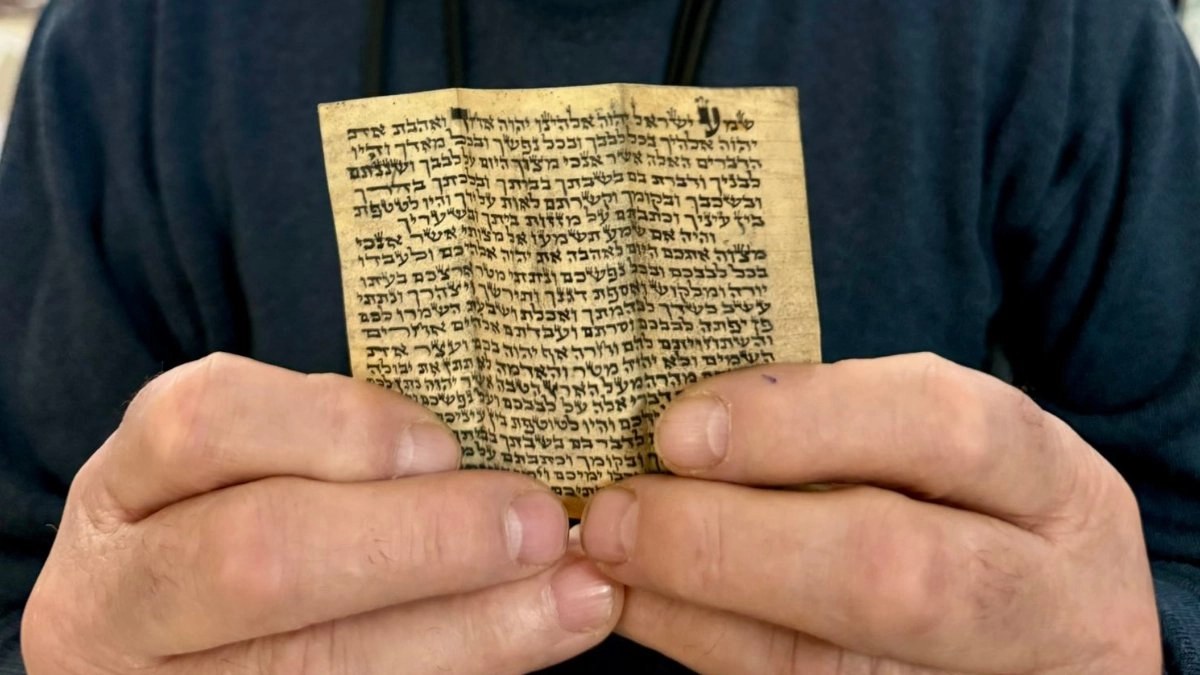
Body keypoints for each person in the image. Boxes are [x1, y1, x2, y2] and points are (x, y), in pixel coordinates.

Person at [2, 1, 1198, 673]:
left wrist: (1145, 648)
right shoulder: (131, 45)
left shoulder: (1059, 27)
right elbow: (24, 577)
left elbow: (1180, 537)